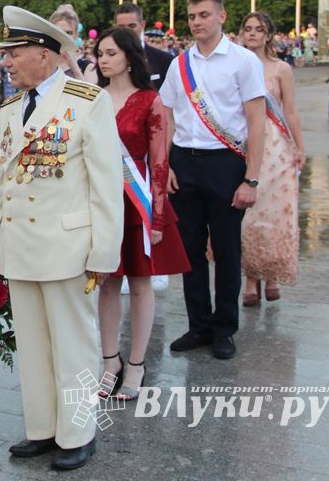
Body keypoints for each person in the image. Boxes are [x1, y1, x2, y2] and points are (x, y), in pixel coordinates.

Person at [0, 6, 124, 471]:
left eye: (14, 52)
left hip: (68, 248)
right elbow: (5, 181)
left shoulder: (86, 101)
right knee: (33, 343)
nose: (6, 62)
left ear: (43, 55)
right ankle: (43, 428)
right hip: (21, 248)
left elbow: (106, 184)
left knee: (73, 343)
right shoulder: (8, 110)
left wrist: (104, 251)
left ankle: (79, 432)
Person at [160, 0, 266, 360]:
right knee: (189, 250)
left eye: (204, 15)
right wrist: (167, 165)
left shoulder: (242, 61)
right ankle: (199, 325)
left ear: (221, 17)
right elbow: (168, 115)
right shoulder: (180, 65)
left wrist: (250, 178)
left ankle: (225, 328)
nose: (197, 22)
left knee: (225, 248)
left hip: (225, 162)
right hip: (184, 163)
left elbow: (256, 121)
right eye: (191, 17)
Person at [93, 27, 190, 401]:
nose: (103, 59)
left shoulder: (150, 100)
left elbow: (160, 161)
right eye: (100, 53)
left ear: (130, 57)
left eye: (111, 53)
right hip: (103, 201)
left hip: (137, 203)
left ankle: (136, 365)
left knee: (140, 282)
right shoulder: (94, 99)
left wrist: (159, 217)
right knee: (106, 282)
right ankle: (109, 362)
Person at [239, 12, 304, 305]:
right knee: (248, 215)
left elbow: (290, 110)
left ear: (268, 35)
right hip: (244, 144)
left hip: (276, 148)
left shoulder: (281, 69)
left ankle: (272, 274)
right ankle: (251, 279)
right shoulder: (235, 66)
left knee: (273, 211)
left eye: (259, 30)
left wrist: (299, 147)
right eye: (248, 29)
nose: (252, 34)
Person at [115, 2, 175, 89]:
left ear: (142, 25)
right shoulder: (106, 61)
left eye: (132, 26)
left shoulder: (165, 60)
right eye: (121, 27)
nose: (126, 31)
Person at [49, 4, 98, 83]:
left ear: (76, 35)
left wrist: (75, 69)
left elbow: (92, 94)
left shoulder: (88, 67)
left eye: (68, 33)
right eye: (58, 32)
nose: (64, 37)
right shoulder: (42, 65)